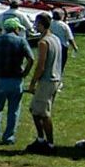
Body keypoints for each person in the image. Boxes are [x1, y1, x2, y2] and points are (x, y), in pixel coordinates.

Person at [26, 12, 62, 154]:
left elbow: (40, 65)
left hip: (47, 80)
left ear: (42, 25)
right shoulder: (56, 39)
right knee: (35, 109)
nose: (35, 26)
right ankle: (41, 139)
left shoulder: (43, 42)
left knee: (42, 113)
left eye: (37, 23)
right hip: (56, 78)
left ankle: (49, 143)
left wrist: (33, 83)